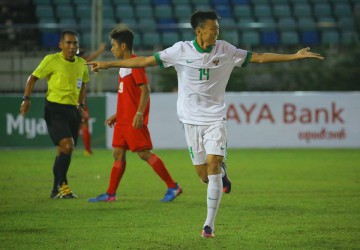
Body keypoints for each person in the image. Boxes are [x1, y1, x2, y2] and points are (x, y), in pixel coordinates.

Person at [86, 11, 324, 237]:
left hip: (215, 118)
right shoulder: (180, 50)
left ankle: (208, 225)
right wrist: (108, 64)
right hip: (190, 122)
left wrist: (295, 56)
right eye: (212, 29)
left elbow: (259, 57)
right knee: (204, 175)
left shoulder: (226, 50)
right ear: (199, 31)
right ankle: (221, 174)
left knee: (213, 165)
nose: (216, 33)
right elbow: (145, 61)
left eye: (218, 29)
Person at [88, 26, 182, 203]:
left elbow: (145, 90)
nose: (111, 49)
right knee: (117, 154)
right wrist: (117, 115)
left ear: (123, 46)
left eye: (113, 45)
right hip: (123, 120)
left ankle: (173, 186)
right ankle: (110, 194)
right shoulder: (123, 68)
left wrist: (139, 113)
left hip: (132, 120)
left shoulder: (136, 64)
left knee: (144, 153)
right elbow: (129, 95)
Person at [20, 30, 89, 199]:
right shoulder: (51, 60)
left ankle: (54, 190)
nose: (72, 47)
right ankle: (62, 185)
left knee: (63, 150)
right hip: (54, 108)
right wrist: (26, 99)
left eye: (75, 44)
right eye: (68, 43)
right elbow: (33, 78)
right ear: (61, 45)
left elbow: (83, 85)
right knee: (67, 145)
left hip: (72, 110)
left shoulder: (81, 63)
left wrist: (81, 105)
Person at [77, 43, 106, 156]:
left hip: (71, 99)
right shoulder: (80, 63)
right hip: (79, 100)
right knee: (84, 124)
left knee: (77, 125)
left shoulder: (70, 65)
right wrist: (100, 51)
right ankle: (87, 150)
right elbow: (90, 59)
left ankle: (68, 148)